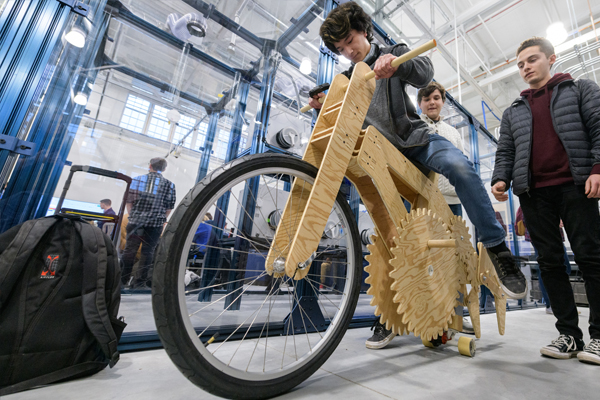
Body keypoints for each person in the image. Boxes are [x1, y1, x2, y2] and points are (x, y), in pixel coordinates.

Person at [312, 2, 526, 350]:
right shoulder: (349, 79)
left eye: (350, 40)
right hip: (381, 158)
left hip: (415, 142)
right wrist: (327, 105)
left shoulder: (390, 54)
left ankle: (500, 252)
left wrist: (395, 66)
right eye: (340, 49)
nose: (348, 51)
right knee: (387, 235)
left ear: (363, 30)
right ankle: (390, 316)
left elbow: (424, 72)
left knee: (460, 167)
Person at [491, 36, 600, 364]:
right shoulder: (513, 111)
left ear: (551, 59)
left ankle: (599, 336)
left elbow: (598, 127)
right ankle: (569, 334)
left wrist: (597, 167)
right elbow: (506, 149)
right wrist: (501, 177)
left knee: (591, 258)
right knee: (550, 263)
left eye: (532, 60)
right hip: (534, 194)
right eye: (521, 63)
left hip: (575, 186)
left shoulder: (579, 89)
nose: (526, 67)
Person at [417, 81, 473, 335]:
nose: (432, 102)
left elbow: (461, 166)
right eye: (427, 98)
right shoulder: (413, 128)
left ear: (442, 102)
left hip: (451, 204)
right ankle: (408, 315)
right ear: (420, 103)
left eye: (436, 97)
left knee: (455, 259)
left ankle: (457, 314)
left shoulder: (453, 132)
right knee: (415, 257)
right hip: (420, 202)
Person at [121, 157, 176, 290]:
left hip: (136, 222)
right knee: (148, 252)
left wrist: (133, 215)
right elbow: (169, 207)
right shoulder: (170, 184)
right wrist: (161, 218)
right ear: (164, 169)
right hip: (155, 225)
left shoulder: (137, 180)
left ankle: (122, 281)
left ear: (149, 165)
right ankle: (139, 283)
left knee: (129, 250)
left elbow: (129, 201)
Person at [515, 207, 572, 315]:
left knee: (564, 266)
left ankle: (563, 304)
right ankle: (551, 304)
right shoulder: (530, 200)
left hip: (554, 235)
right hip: (539, 236)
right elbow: (528, 219)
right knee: (546, 266)